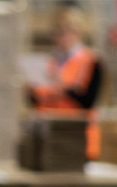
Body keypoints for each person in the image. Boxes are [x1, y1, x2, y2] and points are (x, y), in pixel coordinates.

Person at [30, 4, 104, 157]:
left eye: (66, 32)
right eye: (57, 33)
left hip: (77, 137)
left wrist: (62, 89)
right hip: (49, 136)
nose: (61, 37)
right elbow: (35, 99)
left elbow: (88, 100)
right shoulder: (49, 62)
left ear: (78, 32)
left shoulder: (90, 61)